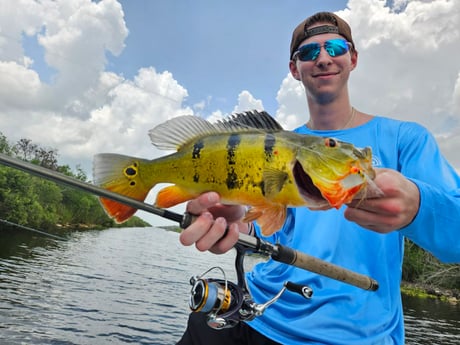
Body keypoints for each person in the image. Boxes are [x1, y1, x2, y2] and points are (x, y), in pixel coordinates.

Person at [176, 11, 460, 345]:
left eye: (336, 47)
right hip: (255, 306)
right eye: (309, 53)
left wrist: (418, 206)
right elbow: (273, 225)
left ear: (352, 58)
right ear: (295, 69)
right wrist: (238, 223)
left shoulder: (405, 138)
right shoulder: (281, 146)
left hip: (349, 336)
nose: (323, 58)